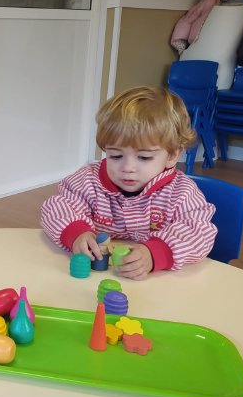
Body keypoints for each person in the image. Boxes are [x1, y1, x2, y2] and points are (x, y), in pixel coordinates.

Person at [41, 86, 217, 280]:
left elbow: (200, 232)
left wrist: (156, 253)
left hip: (155, 284)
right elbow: (57, 207)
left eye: (144, 157)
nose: (128, 168)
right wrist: (77, 234)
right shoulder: (88, 180)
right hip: (97, 278)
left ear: (172, 155)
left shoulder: (182, 192)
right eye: (116, 155)